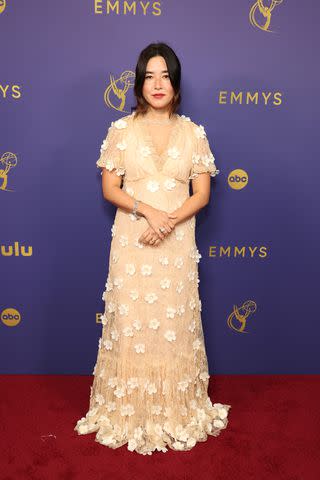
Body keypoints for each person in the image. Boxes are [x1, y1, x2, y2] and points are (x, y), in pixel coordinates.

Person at [74, 42, 231, 455]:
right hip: (133, 242)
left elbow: (202, 194)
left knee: (172, 327)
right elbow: (111, 188)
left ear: (175, 83)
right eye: (149, 76)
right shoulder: (121, 131)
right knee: (134, 324)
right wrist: (147, 211)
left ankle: (176, 409)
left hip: (176, 244)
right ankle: (126, 411)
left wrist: (169, 220)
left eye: (164, 76)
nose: (157, 84)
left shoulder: (193, 133)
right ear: (139, 83)